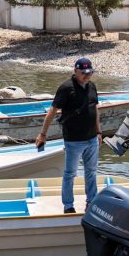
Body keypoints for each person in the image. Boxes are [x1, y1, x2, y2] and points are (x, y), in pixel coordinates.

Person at [35, 57, 101, 214]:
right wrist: (43, 134)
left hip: (92, 138)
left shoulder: (92, 86)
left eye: (90, 72)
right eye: (83, 73)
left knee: (91, 172)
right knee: (70, 174)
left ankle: (91, 202)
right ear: (75, 71)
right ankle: (68, 205)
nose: (87, 76)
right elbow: (52, 111)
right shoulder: (66, 88)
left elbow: (95, 109)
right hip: (74, 140)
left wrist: (99, 132)